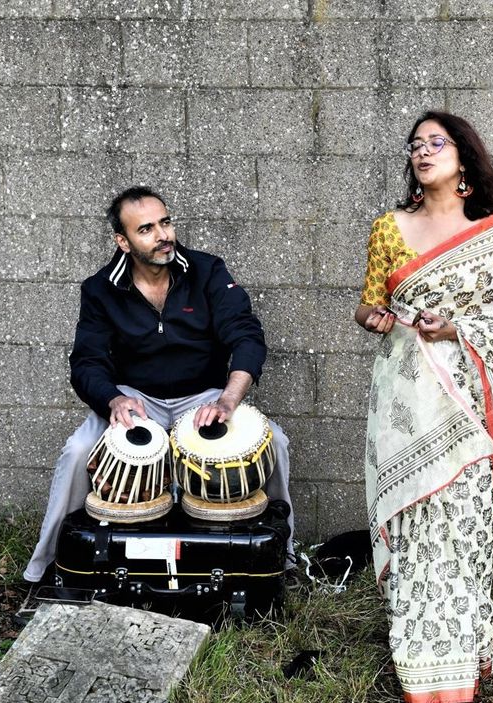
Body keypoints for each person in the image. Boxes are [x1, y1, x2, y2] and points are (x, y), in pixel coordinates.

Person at [23, 186, 293, 584]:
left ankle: (281, 561)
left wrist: (228, 399)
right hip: (134, 400)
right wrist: (113, 400)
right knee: (78, 449)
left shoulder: (208, 271)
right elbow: (86, 363)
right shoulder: (99, 290)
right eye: (146, 229)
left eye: (165, 222)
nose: (163, 235)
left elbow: (247, 336)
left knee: (278, 443)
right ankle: (47, 567)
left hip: (204, 397)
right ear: (124, 241)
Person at [354, 111, 493, 703]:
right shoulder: (388, 229)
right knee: (412, 521)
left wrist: (454, 327)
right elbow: (368, 307)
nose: (423, 151)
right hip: (404, 398)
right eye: (415, 145)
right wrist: (377, 318)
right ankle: (417, 659)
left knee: (461, 519)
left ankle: (462, 647)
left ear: (464, 159)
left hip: (464, 399)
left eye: (437, 142)